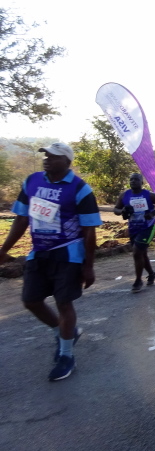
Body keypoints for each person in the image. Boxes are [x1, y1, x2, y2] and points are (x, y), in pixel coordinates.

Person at [0, 143, 101, 381]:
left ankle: (66, 356)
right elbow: (21, 219)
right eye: (45, 155)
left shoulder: (80, 189)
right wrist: (4, 249)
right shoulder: (32, 181)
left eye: (53, 156)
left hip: (68, 254)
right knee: (31, 300)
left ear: (67, 161)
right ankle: (63, 331)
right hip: (39, 252)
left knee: (64, 303)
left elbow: (89, 231)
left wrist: (88, 266)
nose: (47, 159)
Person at [114, 173, 155, 292]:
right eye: (131, 179)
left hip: (148, 227)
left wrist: (152, 213)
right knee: (142, 253)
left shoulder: (150, 195)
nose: (133, 181)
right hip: (133, 228)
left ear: (142, 182)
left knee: (136, 252)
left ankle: (138, 280)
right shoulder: (124, 195)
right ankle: (151, 274)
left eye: (136, 179)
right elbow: (116, 209)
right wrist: (122, 211)